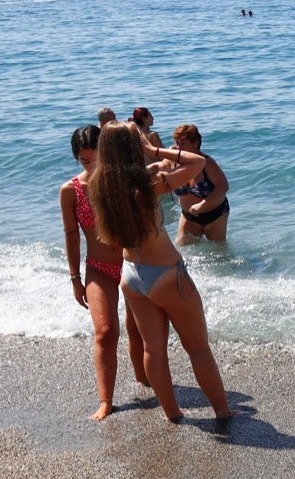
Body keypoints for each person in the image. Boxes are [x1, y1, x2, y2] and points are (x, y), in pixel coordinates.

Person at [87, 121, 234, 424]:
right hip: (166, 273)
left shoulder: (99, 187)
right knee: (198, 348)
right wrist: (152, 149)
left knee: (154, 349)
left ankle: (173, 413)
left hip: (132, 275)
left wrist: (152, 166)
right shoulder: (148, 187)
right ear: (133, 148)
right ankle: (222, 411)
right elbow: (198, 162)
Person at [58, 124, 147, 421]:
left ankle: (145, 380)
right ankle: (106, 401)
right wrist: (75, 278)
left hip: (131, 264)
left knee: (138, 330)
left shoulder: (122, 183)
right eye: (85, 161)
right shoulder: (70, 191)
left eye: (96, 159)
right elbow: (72, 235)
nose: (92, 166)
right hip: (98, 269)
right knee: (106, 332)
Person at [169, 123, 230, 244]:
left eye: (183, 144)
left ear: (195, 143)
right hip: (189, 217)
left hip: (215, 216)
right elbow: (157, 169)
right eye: (177, 143)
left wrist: (202, 204)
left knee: (219, 254)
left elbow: (223, 187)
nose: (178, 148)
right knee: (182, 248)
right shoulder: (173, 160)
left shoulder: (206, 163)